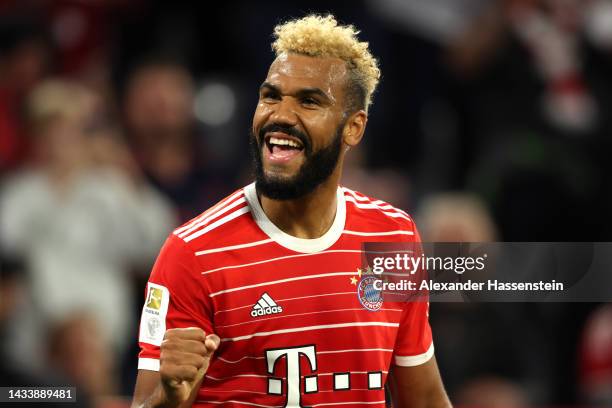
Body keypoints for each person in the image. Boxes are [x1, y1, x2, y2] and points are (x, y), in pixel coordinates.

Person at [132, 14, 450, 408]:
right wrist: (169, 397)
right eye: (271, 96)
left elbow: (424, 399)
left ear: (353, 128)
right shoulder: (191, 253)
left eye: (309, 101)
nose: (280, 115)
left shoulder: (393, 236)